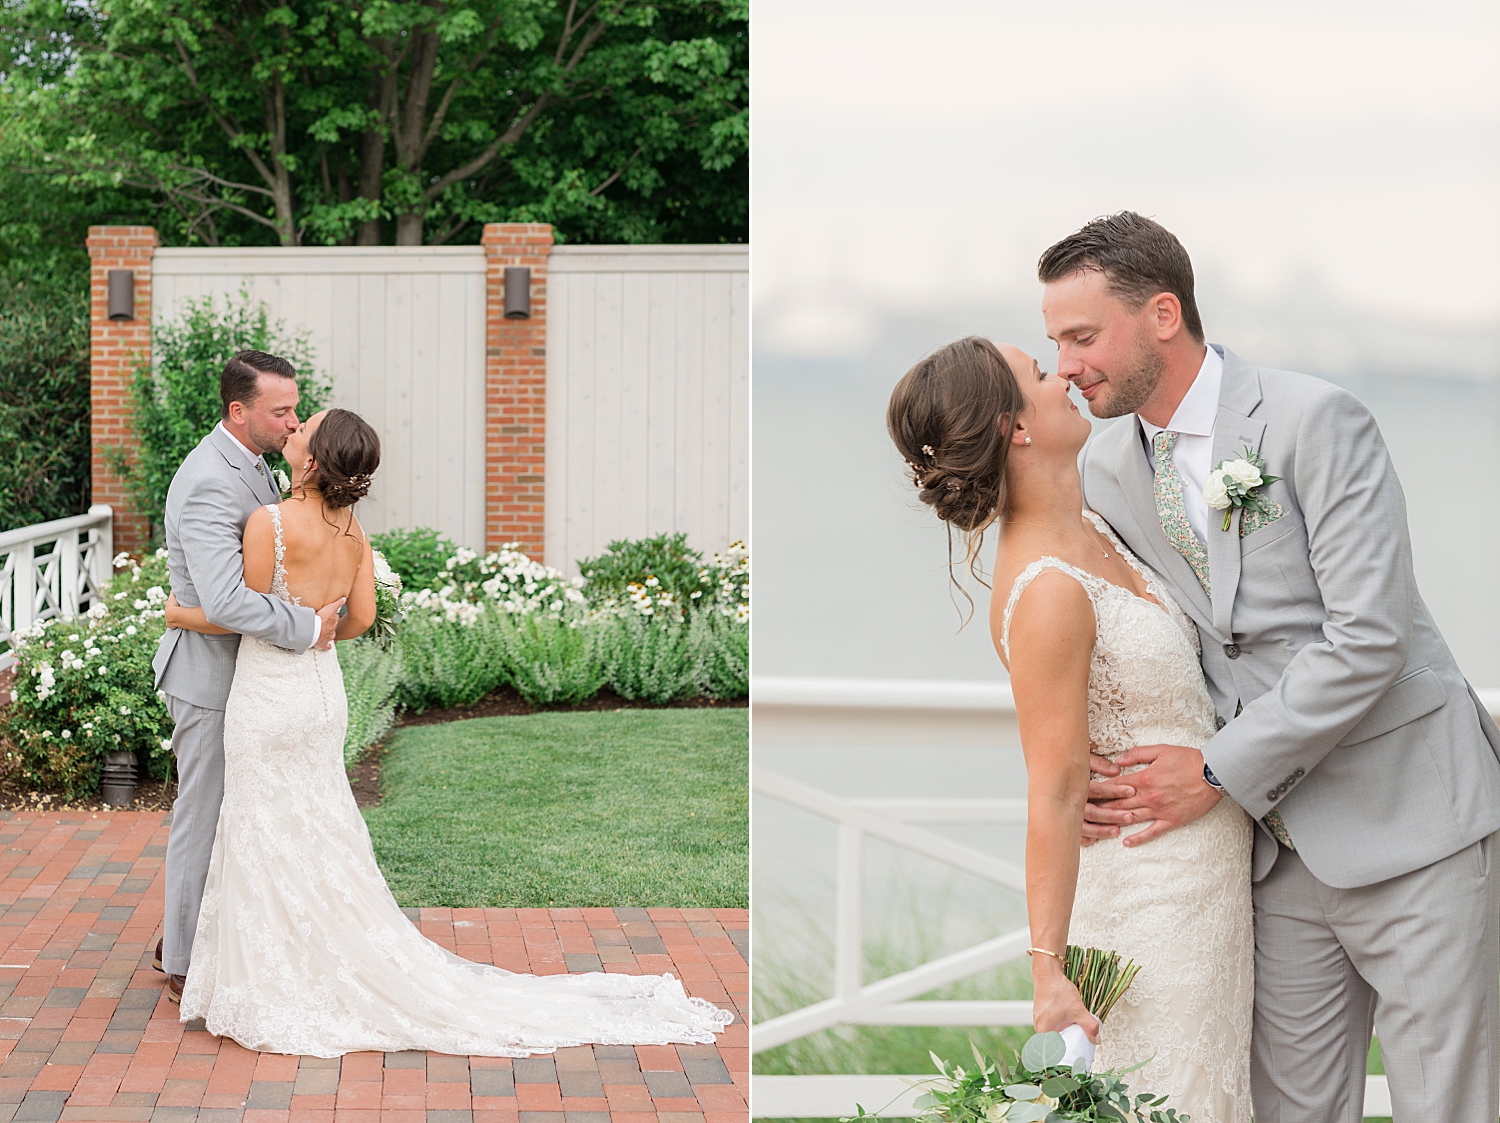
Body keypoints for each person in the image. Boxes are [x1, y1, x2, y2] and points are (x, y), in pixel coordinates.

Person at [1045, 212, 1500, 1122]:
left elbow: (1369, 635)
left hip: (1415, 823)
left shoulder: (1316, 418)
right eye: (1055, 342)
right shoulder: (1105, 473)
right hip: (1274, 856)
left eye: (1083, 336)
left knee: (1448, 1106)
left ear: (1163, 315)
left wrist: (1215, 768)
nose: (1065, 365)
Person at [160, 404, 732, 1056]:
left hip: (268, 697)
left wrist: (181, 611)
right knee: (318, 827)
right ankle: (320, 952)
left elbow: (248, 615)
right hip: (321, 695)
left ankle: (274, 975)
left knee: (264, 829)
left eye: (302, 430)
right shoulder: (354, 536)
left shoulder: (270, 524)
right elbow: (358, 621)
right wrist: (319, 624)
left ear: (313, 460)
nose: (292, 432)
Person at [888, 337, 1253, 1122]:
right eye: (1039, 373)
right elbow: (1053, 787)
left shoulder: (1099, 525)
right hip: (1149, 903)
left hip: (1209, 883)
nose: (1067, 376)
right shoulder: (1048, 590)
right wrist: (1046, 970)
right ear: (1013, 426)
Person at [152, 350, 345, 1003]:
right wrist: (306, 627)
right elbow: (228, 599)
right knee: (202, 815)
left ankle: (200, 933)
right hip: (208, 679)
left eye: (296, 409)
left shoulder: (259, 466)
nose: (294, 425)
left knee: (243, 816)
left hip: (253, 679)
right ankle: (180, 960)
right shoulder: (210, 478)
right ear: (239, 411)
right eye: (281, 411)